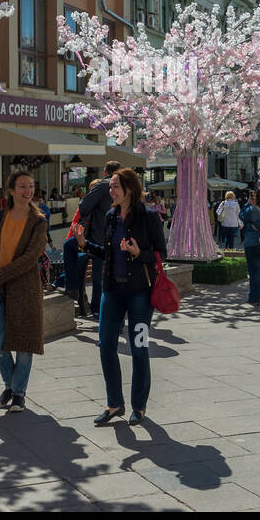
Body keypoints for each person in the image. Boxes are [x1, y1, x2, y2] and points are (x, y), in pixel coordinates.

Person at [74, 167, 165, 427]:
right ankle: (114, 404)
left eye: (114, 187)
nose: (110, 191)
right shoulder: (111, 215)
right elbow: (107, 252)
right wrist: (84, 244)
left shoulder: (148, 217)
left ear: (129, 189)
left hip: (140, 294)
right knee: (105, 346)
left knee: (139, 348)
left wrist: (139, 253)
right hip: (111, 291)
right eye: (110, 186)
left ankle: (139, 406)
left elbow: (161, 254)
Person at [0, 170, 47, 414]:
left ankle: (18, 393)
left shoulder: (38, 220)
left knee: (24, 344)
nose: (28, 192)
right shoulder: (0, 217)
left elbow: (30, 257)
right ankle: (9, 387)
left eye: (31, 187)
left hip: (26, 288)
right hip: (1, 290)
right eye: (22, 186)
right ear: (11, 190)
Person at [77, 161, 121, 320]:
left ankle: (96, 306)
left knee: (97, 271)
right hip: (121, 234)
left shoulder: (103, 185)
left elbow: (83, 206)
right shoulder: (128, 185)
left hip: (99, 235)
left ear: (105, 172)